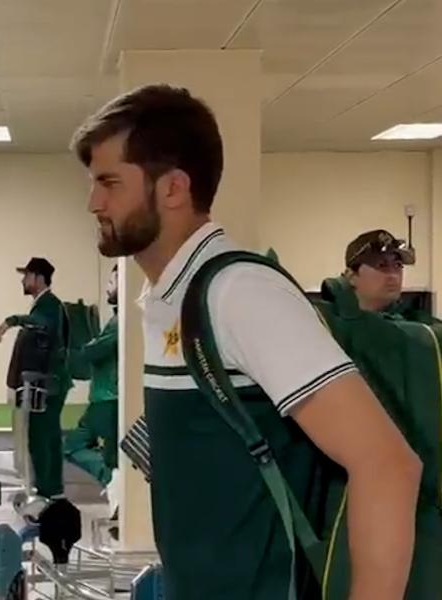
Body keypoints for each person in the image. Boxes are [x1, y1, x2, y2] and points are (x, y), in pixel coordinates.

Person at [71, 84, 421, 599]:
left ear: (173, 188)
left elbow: (388, 464)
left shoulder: (240, 293)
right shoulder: (170, 297)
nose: (93, 202)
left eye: (109, 183)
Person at [0, 257, 72, 500]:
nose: (23, 281)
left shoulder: (49, 305)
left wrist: (13, 320)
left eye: (27, 276)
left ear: (39, 278)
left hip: (49, 385)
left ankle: (48, 493)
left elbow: (43, 324)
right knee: (47, 437)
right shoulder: (44, 305)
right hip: (48, 383)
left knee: (42, 438)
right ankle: (53, 491)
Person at [63, 265, 119, 513]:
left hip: (106, 400)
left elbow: (92, 352)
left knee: (75, 446)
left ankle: (112, 480)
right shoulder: (119, 321)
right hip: (107, 398)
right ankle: (114, 484)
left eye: (112, 281)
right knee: (110, 456)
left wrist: (80, 345)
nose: (108, 287)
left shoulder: (119, 323)